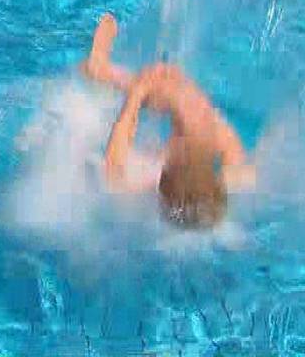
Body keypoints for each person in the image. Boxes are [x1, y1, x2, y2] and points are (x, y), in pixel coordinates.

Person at [80, 14, 256, 228]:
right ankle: (104, 71)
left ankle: (99, 69)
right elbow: (224, 138)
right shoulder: (237, 182)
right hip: (190, 188)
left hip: (147, 184)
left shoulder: (140, 191)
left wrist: (138, 94)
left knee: (186, 108)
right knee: (197, 115)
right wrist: (185, 99)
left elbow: (113, 167)